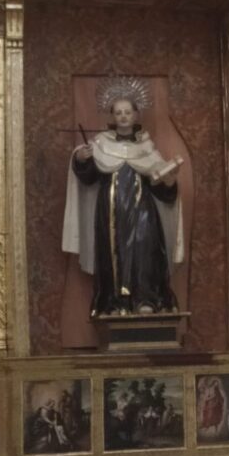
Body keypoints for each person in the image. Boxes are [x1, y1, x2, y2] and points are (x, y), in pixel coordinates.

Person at [62, 78, 184, 316]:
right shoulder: (101, 144)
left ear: (136, 114)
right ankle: (115, 302)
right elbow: (88, 178)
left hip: (143, 211)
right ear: (113, 116)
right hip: (111, 210)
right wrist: (82, 159)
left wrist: (169, 180)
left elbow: (161, 188)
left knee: (145, 251)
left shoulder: (147, 147)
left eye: (128, 112)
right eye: (118, 112)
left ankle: (146, 300)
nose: (123, 116)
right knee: (113, 252)